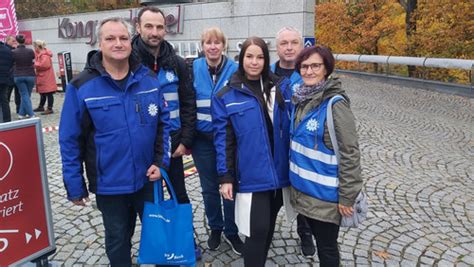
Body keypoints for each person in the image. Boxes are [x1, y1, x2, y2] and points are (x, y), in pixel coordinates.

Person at [59, 17, 171, 266]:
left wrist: (161, 163)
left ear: (130, 42)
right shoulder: (81, 86)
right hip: (110, 184)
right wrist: (75, 185)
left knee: (159, 234)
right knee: (118, 239)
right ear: (100, 43)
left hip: (148, 179)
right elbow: (69, 140)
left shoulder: (149, 80)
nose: (118, 43)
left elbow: (164, 125)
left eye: (122, 38)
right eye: (110, 38)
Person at [212, 36, 292, 266]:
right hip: (251, 175)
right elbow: (223, 140)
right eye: (249, 56)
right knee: (256, 230)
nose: (254, 62)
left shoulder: (280, 88)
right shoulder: (226, 96)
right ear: (241, 59)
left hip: (279, 174)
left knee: (267, 230)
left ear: (267, 60)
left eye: (260, 57)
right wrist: (226, 177)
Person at [132, 6, 200, 257]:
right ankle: (156, 245)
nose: (154, 32)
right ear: (138, 27)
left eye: (159, 27)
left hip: (172, 143)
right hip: (140, 145)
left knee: (178, 194)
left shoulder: (178, 64)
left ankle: (182, 240)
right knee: (143, 198)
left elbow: (188, 102)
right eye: (148, 26)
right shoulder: (129, 61)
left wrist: (186, 139)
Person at [289, 45, 363, 266]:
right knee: (321, 243)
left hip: (326, 197)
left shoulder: (335, 104)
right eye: (304, 66)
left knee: (327, 248)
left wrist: (347, 196)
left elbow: (350, 152)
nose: (309, 71)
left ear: (326, 69)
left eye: (315, 66)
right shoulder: (301, 99)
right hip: (303, 192)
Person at [191, 27, 243, 254]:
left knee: (230, 185)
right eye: (208, 42)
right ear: (202, 46)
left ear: (224, 45)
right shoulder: (193, 67)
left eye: (217, 42)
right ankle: (215, 227)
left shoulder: (235, 69)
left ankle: (232, 231)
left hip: (228, 140)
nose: (212, 46)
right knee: (209, 187)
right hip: (201, 140)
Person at [272, 26, 315, 257]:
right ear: (276, 47)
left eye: (294, 43)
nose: (289, 47)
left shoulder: (310, 74)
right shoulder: (266, 73)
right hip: (274, 146)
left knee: (303, 191)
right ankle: (264, 231)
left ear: (301, 46)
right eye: (284, 43)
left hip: (301, 147)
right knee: (272, 193)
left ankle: (305, 232)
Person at [12, 35, 36, 119]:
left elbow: (12, 63)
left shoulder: (13, 52)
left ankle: (31, 114)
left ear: (17, 41)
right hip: (30, 75)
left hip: (18, 75)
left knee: (25, 95)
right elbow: (33, 60)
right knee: (26, 95)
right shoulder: (30, 51)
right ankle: (21, 114)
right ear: (24, 41)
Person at [33, 40, 57, 115]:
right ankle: (41, 106)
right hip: (43, 77)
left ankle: (50, 108)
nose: (34, 48)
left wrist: (34, 64)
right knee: (42, 93)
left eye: (35, 46)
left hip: (46, 77)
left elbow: (44, 65)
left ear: (38, 46)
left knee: (49, 93)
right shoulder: (40, 54)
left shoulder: (44, 55)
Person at [5, 35, 20, 115]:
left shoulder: (16, 50)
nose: (15, 42)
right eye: (13, 41)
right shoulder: (6, 50)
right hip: (9, 76)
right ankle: (6, 111)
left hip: (17, 75)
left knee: (18, 94)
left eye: (15, 41)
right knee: (7, 95)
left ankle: (19, 110)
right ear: (7, 41)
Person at [0, 39, 14, 122]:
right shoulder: (7, 50)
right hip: (5, 78)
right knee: (4, 99)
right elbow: (12, 63)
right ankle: (7, 119)